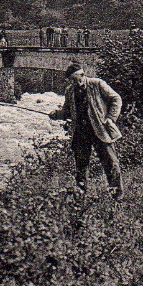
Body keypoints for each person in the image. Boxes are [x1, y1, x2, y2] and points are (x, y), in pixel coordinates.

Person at [51, 63, 124, 199]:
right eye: (72, 80)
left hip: (99, 130)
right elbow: (67, 111)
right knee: (81, 165)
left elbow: (116, 99)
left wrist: (111, 118)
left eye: (77, 79)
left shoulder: (97, 84)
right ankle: (81, 195)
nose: (75, 83)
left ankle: (117, 195)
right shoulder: (69, 90)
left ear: (83, 75)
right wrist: (56, 114)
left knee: (111, 163)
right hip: (80, 132)